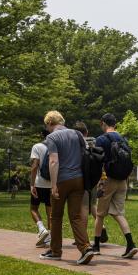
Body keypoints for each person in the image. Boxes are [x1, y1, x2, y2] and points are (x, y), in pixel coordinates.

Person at [39, 110, 96, 265]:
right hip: (79, 179)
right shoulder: (77, 134)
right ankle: (85, 247)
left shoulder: (52, 137)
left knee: (56, 216)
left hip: (62, 180)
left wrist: (53, 185)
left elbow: (53, 162)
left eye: (47, 125)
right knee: (75, 216)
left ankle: (56, 251)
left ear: (50, 123)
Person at [93, 113, 138, 259]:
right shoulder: (123, 139)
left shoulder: (101, 139)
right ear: (115, 124)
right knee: (118, 213)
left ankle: (96, 246)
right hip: (122, 181)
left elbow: (97, 162)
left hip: (109, 179)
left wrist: (99, 182)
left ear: (103, 123)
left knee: (100, 215)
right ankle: (131, 244)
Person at [73, 121, 106, 237]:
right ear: (86, 132)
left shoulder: (75, 143)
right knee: (93, 204)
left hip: (81, 177)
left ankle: (83, 236)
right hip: (94, 178)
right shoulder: (93, 142)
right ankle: (102, 227)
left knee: (84, 207)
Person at [30, 130, 52, 248]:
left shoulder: (37, 146)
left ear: (41, 135)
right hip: (52, 185)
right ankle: (50, 238)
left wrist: (32, 185)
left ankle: (41, 229)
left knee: (33, 208)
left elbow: (34, 167)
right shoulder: (56, 147)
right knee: (51, 213)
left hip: (39, 184)